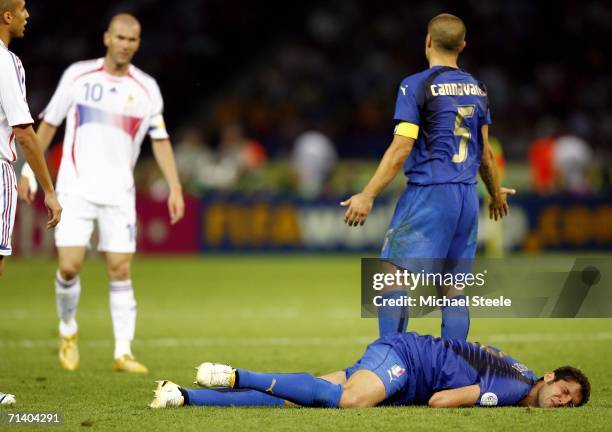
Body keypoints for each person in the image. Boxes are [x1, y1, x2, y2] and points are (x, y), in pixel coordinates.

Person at [18, 13, 184, 374]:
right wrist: (30, 170)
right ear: (107, 38)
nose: (125, 44)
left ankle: (123, 352)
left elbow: (161, 140)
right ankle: (68, 331)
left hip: (119, 194)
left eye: (132, 39)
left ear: (138, 44)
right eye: (119, 37)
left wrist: (174, 186)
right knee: (68, 266)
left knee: (120, 270)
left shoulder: (146, 89)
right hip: (75, 187)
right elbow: (48, 125)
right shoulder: (78, 76)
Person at [340, 13, 515, 340]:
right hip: (467, 195)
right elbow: (485, 152)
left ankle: (389, 359)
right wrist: (495, 193)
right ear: (463, 45)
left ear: (428, 41)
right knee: (453, 288)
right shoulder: (478, 87)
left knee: (390, 275)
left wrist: (368, 194)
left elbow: (401, 147)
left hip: (431, 193)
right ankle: (454, 367)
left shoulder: (416, 85)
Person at [149, 332, 590, 409]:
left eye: (570, 404)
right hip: (407, 360)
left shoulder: (521, 371)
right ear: (550, 376)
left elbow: (481, 349)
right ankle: (237, 374)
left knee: (299, 396)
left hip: (409, 359)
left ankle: (182, 396)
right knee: (350, 402)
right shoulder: (515, 390)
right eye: (566, 390)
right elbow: (440, 402)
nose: (563, 402)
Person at [0, 0, 62, 405]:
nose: (28, 15)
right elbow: (24, 131)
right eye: (22, 8)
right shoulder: (6, 62)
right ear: (6, 16)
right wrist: (49, 190)